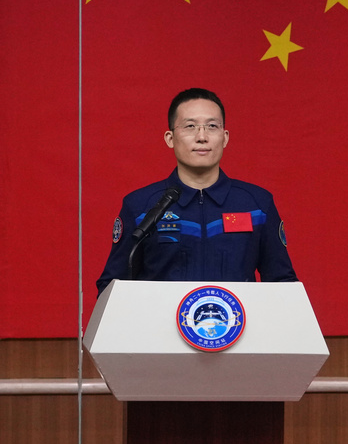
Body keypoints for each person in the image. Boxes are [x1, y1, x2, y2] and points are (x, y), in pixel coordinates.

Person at [96, 88, 297, 294]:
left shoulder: (257, 205)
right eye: (190, 126)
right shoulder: (141, 206)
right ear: (170, 138)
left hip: (239, 325)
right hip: (159, 326)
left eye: (212, 126)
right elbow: (111, 288)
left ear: (225, 137)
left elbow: (283, 285)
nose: (202, 137)